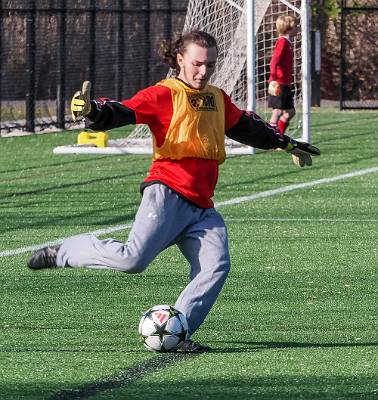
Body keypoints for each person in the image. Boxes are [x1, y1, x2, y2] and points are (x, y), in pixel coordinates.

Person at [27, 30, 319, 352]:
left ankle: (177, 333)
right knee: (132, 260)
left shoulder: (217, 98)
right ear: (180, 59)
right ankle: (64, 252)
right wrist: (93, 112)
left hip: (202, 209)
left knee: (215, 267)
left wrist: (285, 142)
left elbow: (247, 126)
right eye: (196, 64)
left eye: (209, 64)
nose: (202, 71)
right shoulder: (165, 94)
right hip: (166, 195)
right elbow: (123, 111)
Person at [268, 15, 298, 136]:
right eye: (296, 26)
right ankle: (271, 138)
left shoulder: (288, 43)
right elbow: (275, 60)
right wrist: (273, 79)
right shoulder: (282, 42)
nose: (298, 29)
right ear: (289, 28)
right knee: (277, 111)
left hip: (285, 83)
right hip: (279, 82)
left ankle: (278, 136)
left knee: (290, 112)